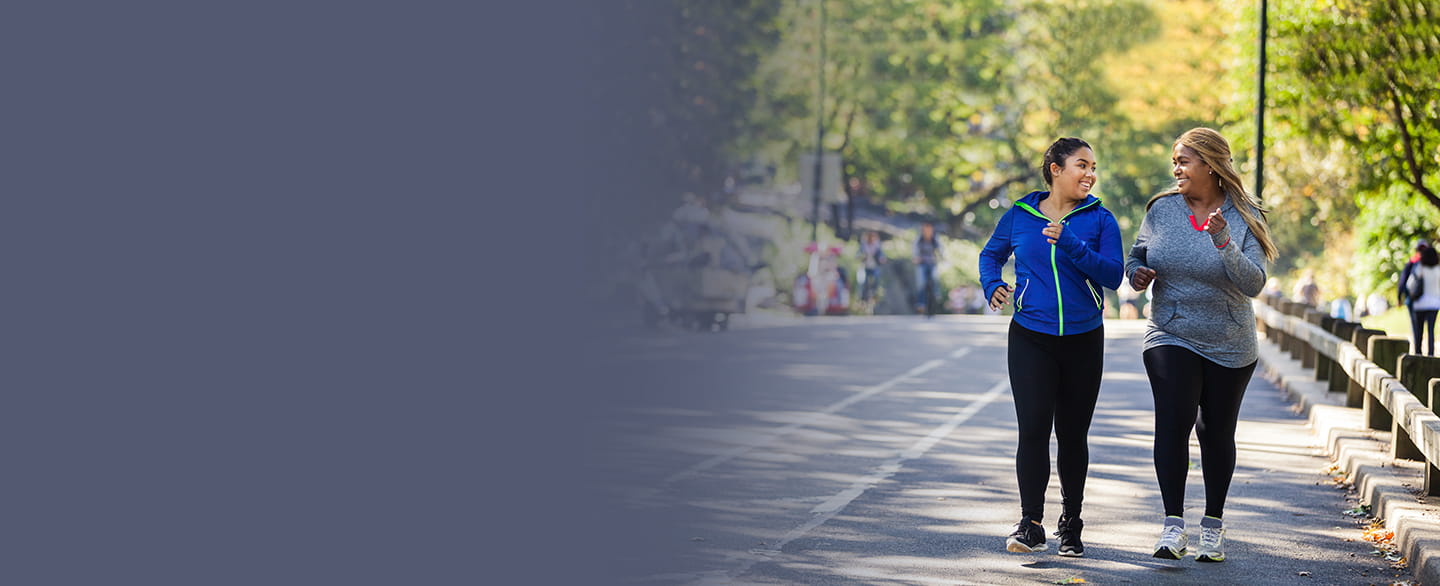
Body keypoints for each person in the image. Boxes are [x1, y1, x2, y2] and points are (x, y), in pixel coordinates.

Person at [1126, 128, 1278, 563]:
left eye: (1184, 161)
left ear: (1210, 165)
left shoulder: (1245, 214)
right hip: (1169, 331)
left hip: (1229, 339)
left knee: (1215, 432)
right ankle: (1173, 525)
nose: (1176, 168)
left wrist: (1224, 241)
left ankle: (1212, 524)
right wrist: (1136, 273)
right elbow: (1138, 254)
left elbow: (1253, 284)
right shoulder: (1162, 209)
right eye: (1174, 160)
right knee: (1173, 421)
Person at [979, 137, 1123, 557]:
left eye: (1094, 166)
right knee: (1034, 431)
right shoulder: (1020, 215)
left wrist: (1071, 244)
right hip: (1030, 336)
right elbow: (991, 255)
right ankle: (1031, 523)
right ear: (1056, 169)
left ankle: (1072, 524)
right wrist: (993, 285)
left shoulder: (1100, 220)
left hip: (1083, 338)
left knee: (1073, 434)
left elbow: (1113, 275)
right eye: (1082, 165)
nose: (1090, 174)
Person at [1406, 244, 1440, 355]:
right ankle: (1431, 354)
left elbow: (1410, 284)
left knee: (1418, 332)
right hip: (1434, 304)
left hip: (1419, 304)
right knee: (1431, 331)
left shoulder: (1419, 268)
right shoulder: (1438, 270)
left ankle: (1418, 353)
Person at [1401, 240, 1432, 351]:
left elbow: (1404, 281)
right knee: (1429, 329)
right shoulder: (1432, 263)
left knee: (1416, 327)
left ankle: (1418, 351)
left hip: (1414, 300)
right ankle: (1429, 352)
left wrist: (1400, 296)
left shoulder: (1413, 263)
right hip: (1428, 301)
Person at [913, 222, 943, 314]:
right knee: (921, 282)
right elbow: (914, 249)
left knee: (935, 277)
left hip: (932, 262)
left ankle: (936, 293)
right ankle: (921, 303)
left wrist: (942, 257)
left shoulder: (935, 239)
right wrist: (915, 258)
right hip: (922, 263)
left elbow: (941, 249)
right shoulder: (919, 239)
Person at [857, 230, 886, 303]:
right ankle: (863, 299)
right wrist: (862, 257)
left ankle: (874, 296)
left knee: (876, 280)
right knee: (864, 282)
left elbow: (882, 255)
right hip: (865, 267)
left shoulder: (877, 246)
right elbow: (857, 255)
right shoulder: (863, 246)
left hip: (874, 267)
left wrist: (882, 259)